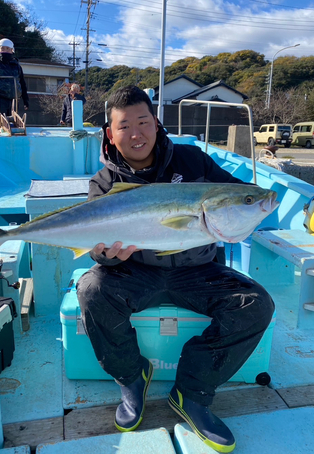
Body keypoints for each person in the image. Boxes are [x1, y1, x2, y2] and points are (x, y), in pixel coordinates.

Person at [76, 86, 275, 453]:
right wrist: (105, 255)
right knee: (91, 290)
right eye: (124, 126)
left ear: (156, 122)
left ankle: (192, 392)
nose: (136, 134)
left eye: (143, 122)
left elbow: (239, 193)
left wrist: (241, 213)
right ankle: (132, 377)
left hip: (197, 271)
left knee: (257, 305)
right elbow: (96, 251)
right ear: (110, 134)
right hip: (134, 272)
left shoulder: (194, 162)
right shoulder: (103, 185)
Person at [0, 38, 29, 116]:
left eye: (7, 48)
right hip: (0, 99)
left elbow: (22, 82)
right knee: (1, 123)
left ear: (12, 50)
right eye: (2, 48)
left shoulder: (16, 65)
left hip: (15, 99)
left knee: (14, 123)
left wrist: (26, 100)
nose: (5, 51)